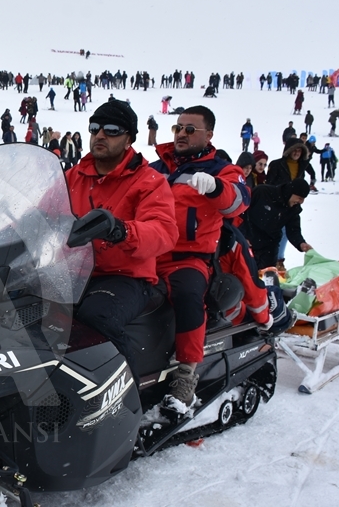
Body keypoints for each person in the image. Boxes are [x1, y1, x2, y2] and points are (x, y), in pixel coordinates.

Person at [150, 105, 250, 414]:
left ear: (209, 135)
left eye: (190, 129)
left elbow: (239, 200)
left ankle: (186, 376)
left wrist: (217, 187)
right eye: (178, 128)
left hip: (187, 257)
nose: (181, 134)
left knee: (188, 296)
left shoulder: (221, 169)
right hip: (147, 250)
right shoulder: (156, 167)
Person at [65, 101, 178, 374]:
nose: (100, 135)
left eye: (112, 130)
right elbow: (39, 212)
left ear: (129, 139)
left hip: (125, 277)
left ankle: (125, 392)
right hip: (71, 271)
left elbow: (163, 231)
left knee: (96, 317)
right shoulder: (73, 176)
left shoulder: (148, 181)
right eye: (95, 128)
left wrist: (122, 230)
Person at [239, 179, 312, 269]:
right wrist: (243, 236)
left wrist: (301, 243)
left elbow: (293, 230)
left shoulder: (294, 208)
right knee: (245, 272)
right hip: (248, 241)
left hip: (270, 246)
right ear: (291, 192)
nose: (301, 202)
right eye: (300, 198)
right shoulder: (262, 192)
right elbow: (242, 213)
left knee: (267, 274)